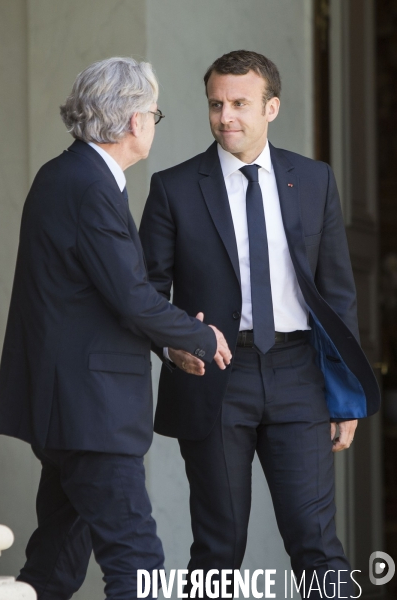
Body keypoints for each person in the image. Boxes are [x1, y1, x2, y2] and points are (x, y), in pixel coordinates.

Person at [139, 50, 380, 598]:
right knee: (219, 547)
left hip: (300, 376)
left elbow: (338, 292)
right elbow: (147, 294)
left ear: (272, 107)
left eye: (240, 104)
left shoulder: (314, 180)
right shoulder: (173, 188)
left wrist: (345, 398)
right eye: (216, 104)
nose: (227, 116)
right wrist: (174, 347)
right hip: (216, 376)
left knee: (317, 544)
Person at [0, 56, 231, 600]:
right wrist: (199, 336)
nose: (153, 121)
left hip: (73, 412)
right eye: (155, 111)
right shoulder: (87, 185)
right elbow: (129, 295)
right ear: (134, 121)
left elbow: (107, 296)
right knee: (138, 564)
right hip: (90, 412)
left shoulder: (72, 175)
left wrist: (171, 344)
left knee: (53, 568)